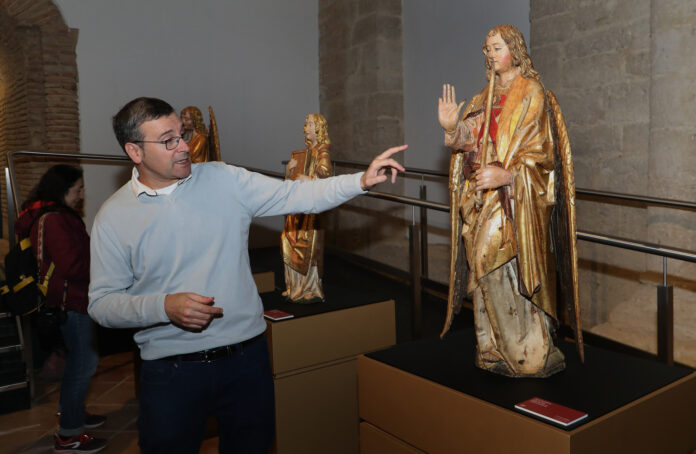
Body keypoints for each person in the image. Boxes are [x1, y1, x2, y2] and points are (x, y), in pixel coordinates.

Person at [88, 97, 406, 453]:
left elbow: (298, 194)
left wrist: (360, 181)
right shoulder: (113, 216)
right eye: (168, 140)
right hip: (170, 372)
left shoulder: (225, 179)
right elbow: (102, 305)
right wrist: (164, 307)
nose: (184, 146)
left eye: (183, 134)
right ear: (134, 151)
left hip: (246, 362)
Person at [437, 24, 580, 378]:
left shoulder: (531, 92)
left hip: (515, 200)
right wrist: (453, 128)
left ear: (514, 50)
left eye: (496, 47)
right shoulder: (484, 95)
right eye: (486, 49)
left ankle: (525, 349)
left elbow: (543, 155)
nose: (490, 54)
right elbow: (472, 137)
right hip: (482, 199)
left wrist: (509, 176)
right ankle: (494, 347)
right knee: (482, 265)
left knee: (493, 258)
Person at [15, 165, 107, 453]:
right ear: (60, 190)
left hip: (72, 299)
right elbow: (72, 266)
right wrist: (107, 270)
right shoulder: (55, 220)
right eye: (76, 189)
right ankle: (69, 433)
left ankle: (73, 411)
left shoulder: (55, 216)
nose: (81, 195)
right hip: (72, 300)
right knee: (84, 363)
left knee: (79, 362)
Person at [281, 113, 332, 303]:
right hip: (297, 207)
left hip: (311, 209)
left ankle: (309, 287)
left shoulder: (322, 151)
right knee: (287, 240)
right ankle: (294, 286)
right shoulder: (303, 153)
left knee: (308, 248)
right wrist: (289, 172)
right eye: (305, 125)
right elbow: (291, 180)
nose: (306, 128)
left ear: (318, 128)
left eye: (310, 124)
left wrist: (308, 180)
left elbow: (325, 176)